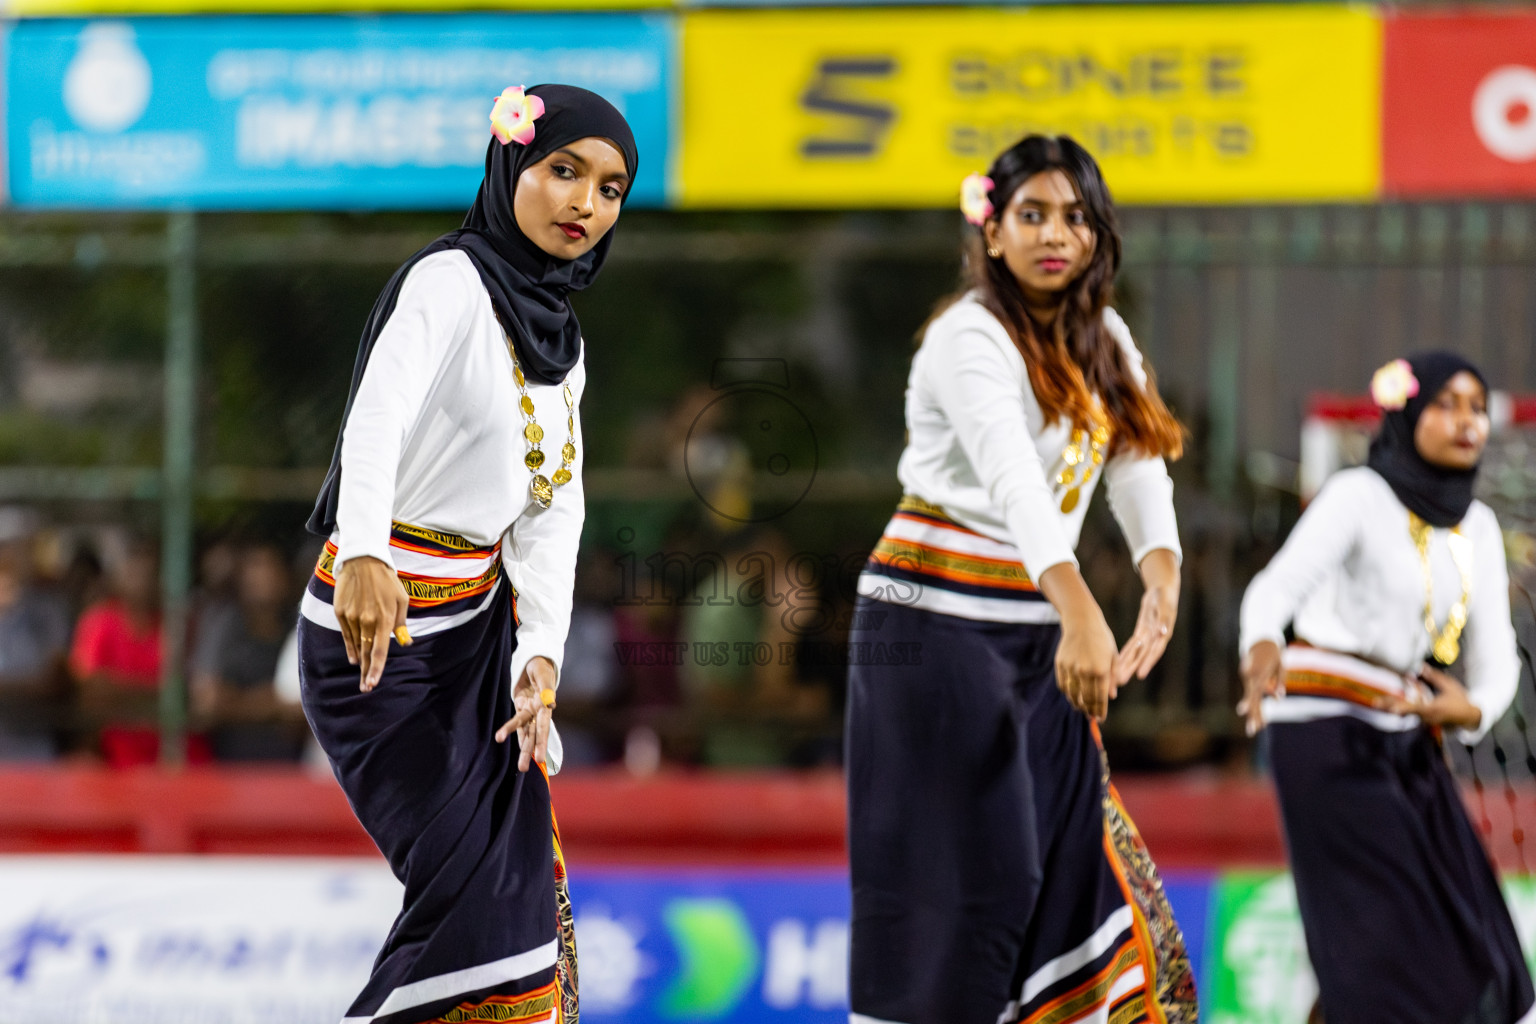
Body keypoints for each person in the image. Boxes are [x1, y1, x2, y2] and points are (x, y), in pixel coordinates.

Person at [298, 84, 636, 1024]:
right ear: (509, 168)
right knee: (473, 904)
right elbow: (377, 413)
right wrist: (362, 550)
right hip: (380, 637)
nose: (584, 203)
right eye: (563, 170)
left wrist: (539, 659)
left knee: (508, 898)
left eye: (609, 189)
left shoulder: (562, 341)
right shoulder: (449, 280)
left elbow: (552, 510)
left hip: (477, 641)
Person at [845, 135, 1197, 1024]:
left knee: (1072, 861)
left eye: (1075, 217)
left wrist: (1162, 576)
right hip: (932, 630)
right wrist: (1080, 607)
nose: (1056, 235)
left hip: (1033, 627)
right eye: (1032, 214)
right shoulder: (968, 335)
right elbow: (1012, 482)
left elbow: (1137, 459)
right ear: (991, 232)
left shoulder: (1101, 333)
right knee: (981, 878)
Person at [1239, 353, 1534, 1024]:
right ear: (1408, 414)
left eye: (1477, 407)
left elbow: (1494, 668)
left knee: (1479, 950)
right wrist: (1260, 647)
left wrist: (1475, 707)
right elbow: (1272, 592)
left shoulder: (1480, 526)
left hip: (1407, 740)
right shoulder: (1358, 494)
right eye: (1446, 404)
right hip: (1322, 735)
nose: (1466, 421)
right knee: (1385, 949)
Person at [191, 542, 306, 761]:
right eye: (256, 566)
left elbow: (305, 705)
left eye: (272, 566)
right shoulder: (224, 623)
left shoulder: (299, 624)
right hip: (232, 765)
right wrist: (272, 702)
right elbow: (207, 701)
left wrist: (239, 700)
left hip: (290, 767)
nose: (265, 576)